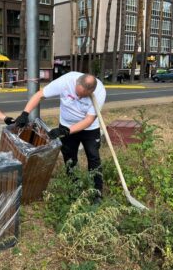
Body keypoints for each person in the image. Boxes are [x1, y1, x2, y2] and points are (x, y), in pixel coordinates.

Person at [15, 72, 106, 201]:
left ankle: (97, 193)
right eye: (77, 93)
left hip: (89, 129)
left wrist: (65, 131)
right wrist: (25, 113)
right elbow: (40, 95)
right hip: (66, 124)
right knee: (69, 159)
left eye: (83, 96)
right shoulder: (65, 81)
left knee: (94, 158)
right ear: (76, 83)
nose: (79, 97)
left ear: (91, 91)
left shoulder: (99, 92)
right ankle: (74, 190)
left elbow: (89, 120)